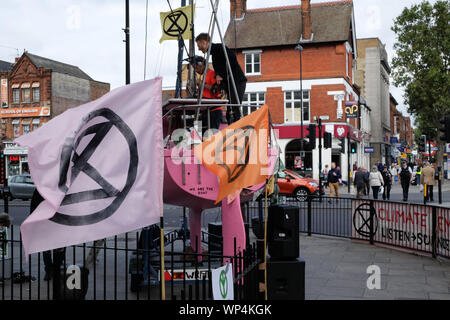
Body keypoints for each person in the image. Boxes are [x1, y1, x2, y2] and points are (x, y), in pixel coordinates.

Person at [195, 33, 247, 124]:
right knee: (230, 111)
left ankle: (237, 129)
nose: (199, 49)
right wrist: (218, 76)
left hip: (237, 81)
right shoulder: (214, 54)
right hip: (230, 83)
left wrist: (220, 75)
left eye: (199, 46)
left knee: (234, 109)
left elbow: (232, 59)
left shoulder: (219, 48)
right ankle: (233, 128)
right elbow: (219, 70)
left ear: (204, 42)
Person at [30, 189, 65, 281]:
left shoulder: (42, 187)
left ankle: (53, 270)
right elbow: (34, 204)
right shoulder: (41, 187)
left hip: (57, 220)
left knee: (56, 248)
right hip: (48, 220)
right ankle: (51, 270)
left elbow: (34, 204)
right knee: (49, 248)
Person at [190, 55, 223, 133]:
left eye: (196, 68)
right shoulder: (203, 76)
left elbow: (217, 91)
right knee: (202, 137)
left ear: (201, 64)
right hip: (205, 111)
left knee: (211, 137)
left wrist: (203, 84)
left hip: (214, 111)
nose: (196, 70)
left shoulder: (212, 73)